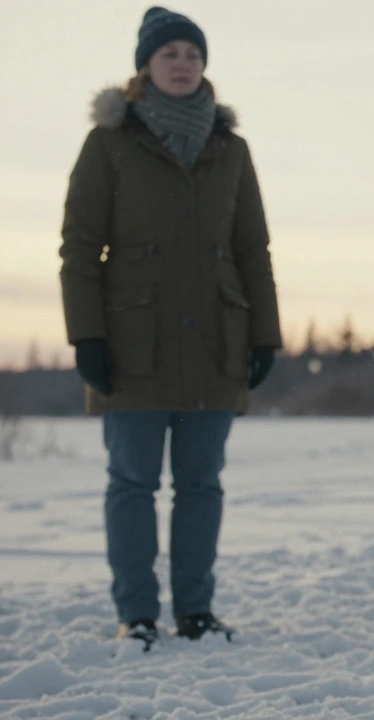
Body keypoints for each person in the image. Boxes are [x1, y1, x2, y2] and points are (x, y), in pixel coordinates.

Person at [59, 6, 282, 650]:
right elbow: (79, 247)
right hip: (131, 345)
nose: (183, 63)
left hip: (217, 339)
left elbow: (253, 249)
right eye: (170, 53)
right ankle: (137, 613)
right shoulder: (109, 143)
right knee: (131, 483)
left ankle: (196, 611)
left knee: (201, 483)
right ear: (144, 67)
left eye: (192, 53)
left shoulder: (230, 148)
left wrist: (265, 334)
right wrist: (87, 336)